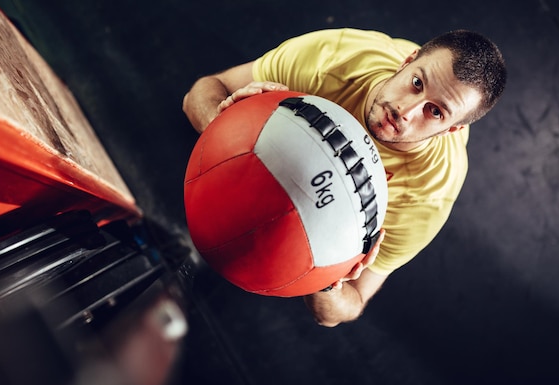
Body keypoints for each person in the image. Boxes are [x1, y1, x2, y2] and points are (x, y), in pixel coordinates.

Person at [182, 28, 506, 327]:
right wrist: (229, 125)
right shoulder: (332, 59)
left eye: (435, 111)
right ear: (406, 62)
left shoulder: (426, 196)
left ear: (452, 129)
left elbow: (344, 309)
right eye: (417, 83)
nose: (405, 111)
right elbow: (205, 89)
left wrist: (329, 277)